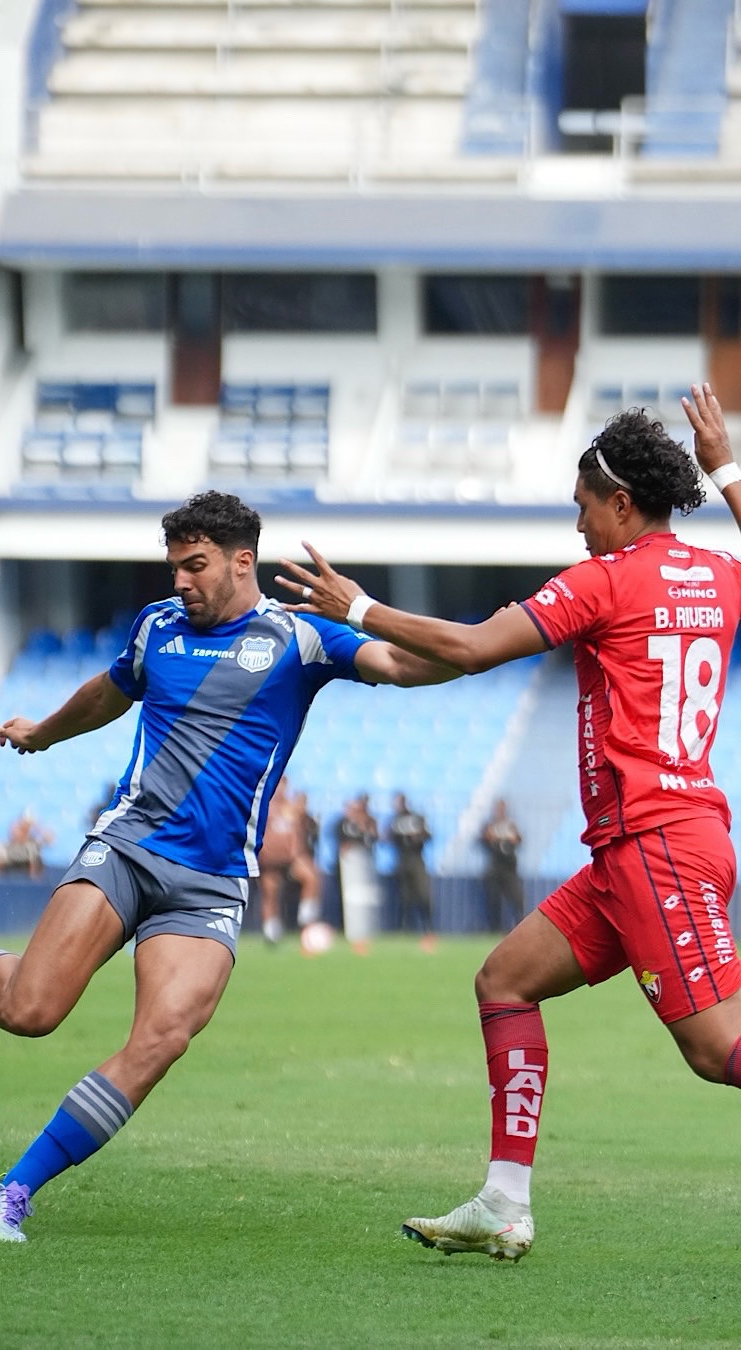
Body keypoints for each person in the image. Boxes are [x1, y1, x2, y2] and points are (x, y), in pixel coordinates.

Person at [0, 490, 456, 1243]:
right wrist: (45, 735)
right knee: (31, 1012)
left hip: (212, 884)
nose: (181, 582)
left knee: (159, 1041)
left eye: (196, 566)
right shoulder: (156, 626)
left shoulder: (301, 638)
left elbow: (405, 663)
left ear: (241, 561)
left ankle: (11, 1189)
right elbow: (109, 691)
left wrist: (366, 611)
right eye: (174, 567)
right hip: (128, 849)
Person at [275, 383, 741, 1262]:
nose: (578, 528)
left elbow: (476, 646)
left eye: (584, 509)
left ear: (622, 502)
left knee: (720, 1055)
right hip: (643, 849)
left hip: (659, 845)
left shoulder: (605, 582)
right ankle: (504, 1199)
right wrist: (725, 466)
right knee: (504, 981)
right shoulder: (719, 576)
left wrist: (360, 610)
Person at [257, 775, 322, 943]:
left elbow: (307, 828)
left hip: (292, 859)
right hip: (269, 861)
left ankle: (306, 919)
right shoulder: (262, 806)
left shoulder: (292, 806)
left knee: (311, 876)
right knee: (270, 893)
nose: (281, 789)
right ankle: (271, 931)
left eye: (283, 785)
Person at [387, 791, 436, 949]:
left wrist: (416, 837)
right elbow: (389, 838)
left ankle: (428, 928)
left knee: (423, 894)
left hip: (416, 859)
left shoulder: (417, 818)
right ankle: (404, 928)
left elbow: (428, 835)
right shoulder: (395, 820)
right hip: (403, 859)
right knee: (404, 896)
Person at [336, 792, 381, 952]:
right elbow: (338, 839)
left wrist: (365, 826)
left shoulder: (370, 821)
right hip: (346, 867)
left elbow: (373, 839)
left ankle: (365, 929)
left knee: (363, 897)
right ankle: (345, 929)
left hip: (363, 867)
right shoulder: (342, 822)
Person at [479, 798, 525, 934]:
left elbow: (519, 840)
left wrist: (508, 840)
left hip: (509, 868)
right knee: (493, 899)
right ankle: (494, 927)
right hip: (495, 867)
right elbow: (482, 840)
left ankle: (519, 925)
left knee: (517, 898)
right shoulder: (490, 825)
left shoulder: (511, 824)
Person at [0, 812, 54, 881]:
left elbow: (50, 840)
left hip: (30, 884)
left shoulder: (33, 845)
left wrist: (36, 826)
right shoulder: (3, 847)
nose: (15, 832)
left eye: (20, 829)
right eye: (13, 829)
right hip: (7, 882)